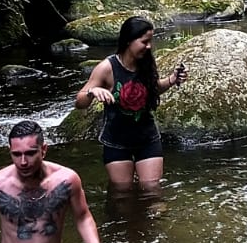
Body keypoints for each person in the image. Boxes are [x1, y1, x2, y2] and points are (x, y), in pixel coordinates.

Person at [74, 14, 187, 187]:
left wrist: (171, 80)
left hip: (147, 138)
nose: (149, 46)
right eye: (144, 41)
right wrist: (92, 91)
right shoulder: (107, 67)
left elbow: (152, 89)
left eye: (150, 41)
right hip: (116, 141)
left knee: (152, 191)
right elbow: (79, 102)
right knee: (123, 194)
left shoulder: (146, 62)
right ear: (129, 40)